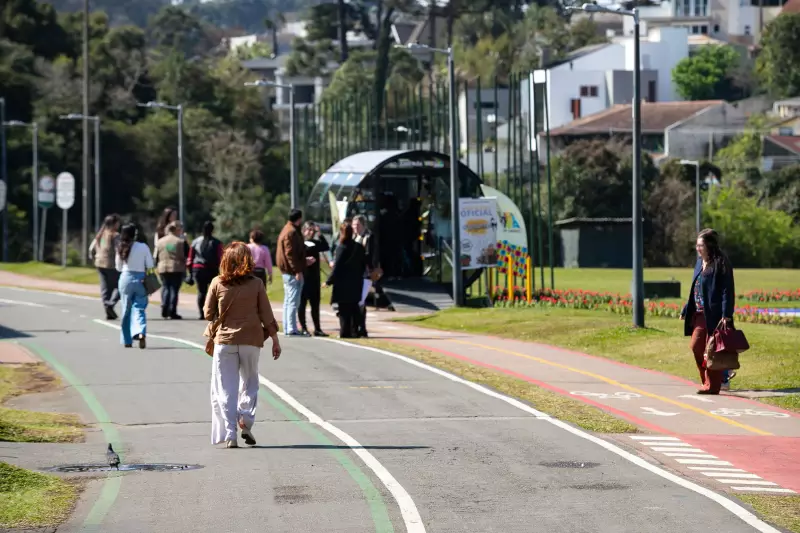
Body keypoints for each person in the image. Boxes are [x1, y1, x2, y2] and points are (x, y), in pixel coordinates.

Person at [204, 242, 281, 448]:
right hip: (251, 340)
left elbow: (208, 314)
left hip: (225, 342)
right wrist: (275, 340)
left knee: (226, 388)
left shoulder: (217, 283)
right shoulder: (256, 283)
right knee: (249, 383)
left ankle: (231, 434)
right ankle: (245, 420)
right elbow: (266, 314)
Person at [680, 228, 736, 395]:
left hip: (714, 314)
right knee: (697, 346)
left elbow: (727, 290)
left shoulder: (721, 262)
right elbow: (695, 287)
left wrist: (726, 314)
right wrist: (686, 308)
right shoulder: (699, 262)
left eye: (701, 245)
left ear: (710, 245)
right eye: (696, 245)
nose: (698, 248)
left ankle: (713, 385)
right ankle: (709, 381)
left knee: (711, 350)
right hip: (698, 313)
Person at [276, 209, 314, 336]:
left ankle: (288, 327)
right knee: (293, 301)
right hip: (291, 272)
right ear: (299, 219)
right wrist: (297, 270)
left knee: (288, 300)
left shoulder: (286, 229)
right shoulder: (291, 232)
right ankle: (291, 328)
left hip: (287, 270)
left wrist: (303, 261)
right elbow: (290, 254)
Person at [116, 223, 153, 349]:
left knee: (126, 309)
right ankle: (140, 332)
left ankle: (127, 340)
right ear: (135, 233)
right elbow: (150, 264)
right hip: (141, 279)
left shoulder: (121, 247)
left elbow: (118, 267)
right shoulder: (143, 247)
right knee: (139, 308)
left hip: (126, 278)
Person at [324, 222, 365, 338]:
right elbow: (363, 264)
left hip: (343, 284)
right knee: (354, 308)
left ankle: (345, 332)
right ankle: (355, 331)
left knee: (344, 310)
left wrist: (328, 281)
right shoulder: (359, 247)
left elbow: (337, 267)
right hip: (356, 282)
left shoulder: (341, 248)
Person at [188, 221, 224, 320]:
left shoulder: (195, 242)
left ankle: (201, 313)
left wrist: (190, 272)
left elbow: (190, 258)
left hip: (198, 269)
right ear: (212, 230)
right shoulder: (217, 243)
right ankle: (212, 312)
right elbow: (221, 258)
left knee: (201, 292)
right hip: (212, 270)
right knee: (213, 292)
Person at [299, 221, 330, 337]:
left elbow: (326, 246)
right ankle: (303, 327)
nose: (311, 232)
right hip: (304, 277)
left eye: (313, 230)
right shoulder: (300, 243)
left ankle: (317, 328)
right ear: (304, 230)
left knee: (315, 305)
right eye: (309, 230)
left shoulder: (316, 243)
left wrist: (320, 234)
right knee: (302, 304)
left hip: (315, 278)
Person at [89, 214, 121, 320]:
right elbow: (118, 249)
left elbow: (92, 249)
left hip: (100, 262)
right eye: (117, 222)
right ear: (114, 223)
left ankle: (107, 309)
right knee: (121, 286)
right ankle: (110, 304)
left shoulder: (100, 234)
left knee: (105, 287)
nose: (119, 224)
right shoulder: (115, 235)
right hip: (111, 264)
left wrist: (95, 258)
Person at [154, 220, 189, 320]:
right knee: (174, 289)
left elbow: (156, 256)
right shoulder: (180, 242)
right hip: (176, 267)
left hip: (162, 267)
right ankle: (172, 310)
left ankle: (164, 307)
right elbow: (187, 254)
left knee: (165, 287)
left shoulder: (160, 242)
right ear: (177, 230)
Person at [352, 214, 376, 337]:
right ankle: (359, 327)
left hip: (365, 274)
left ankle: (362, 328)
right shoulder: (354, 237)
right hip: (356, 274)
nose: (355, 227)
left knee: (361, 300)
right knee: (359, 301)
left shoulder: (368, 237)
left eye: (357, 225)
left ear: (363, 225)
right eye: (354, 225)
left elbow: (369, 255)